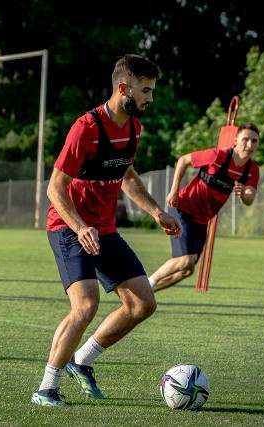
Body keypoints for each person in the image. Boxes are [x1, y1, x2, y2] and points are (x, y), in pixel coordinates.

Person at [31, 54, 182, 407]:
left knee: (143, 303)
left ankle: (82, 362)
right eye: (145, 90)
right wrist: (81, 226)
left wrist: (157, 211)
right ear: (123, 88)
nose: (150, 98)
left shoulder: (133, 128)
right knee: (86, 305)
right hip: (69, 228)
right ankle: (46, 388)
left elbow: (126, 176)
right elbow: (55, 187)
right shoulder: (86, 127)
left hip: (104, 230)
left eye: (151, 91)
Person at [148, 123, 261, 292]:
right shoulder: (218, 156)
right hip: (183, 207)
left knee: (187, 269)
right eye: (245, 139)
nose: (249, 145)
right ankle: (145, 284)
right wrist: (174, 191)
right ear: (236, 140)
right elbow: (184, 160)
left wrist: (243, 193)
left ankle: (147, 293)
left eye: (254, 141)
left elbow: (250, 198)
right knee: (186, 260)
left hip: (202, 220)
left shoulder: (252, 170)